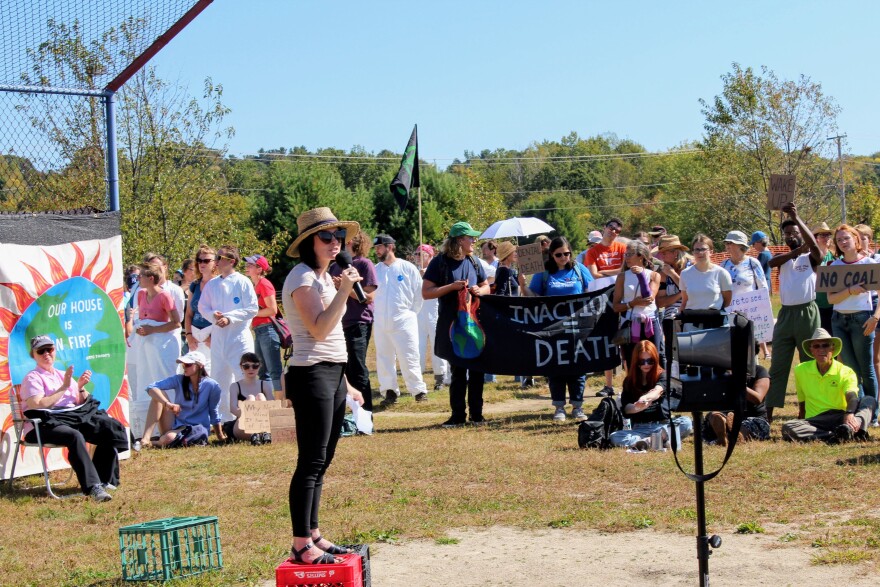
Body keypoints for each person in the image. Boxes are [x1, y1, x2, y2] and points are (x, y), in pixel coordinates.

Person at [282, 206, 365, 565]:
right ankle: (301, 544)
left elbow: (333, 338)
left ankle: (313, 533)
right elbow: (318, 329)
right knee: (311, 460)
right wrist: (345, 290)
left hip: (332, 372)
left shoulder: (322, 277)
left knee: (324, 458)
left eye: (340, 237)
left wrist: (346, 380)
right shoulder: (301, 277)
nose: (336, 243)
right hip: (311, 373)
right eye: (327, 237)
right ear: (309, 242)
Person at [20, 335, 126, 501]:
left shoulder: (63, 374)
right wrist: (63, 387)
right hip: (41, 425)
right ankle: (94, 488)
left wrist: (80, 387)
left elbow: (80, 402)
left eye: (50, 349)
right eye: (41, 351)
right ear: (33, 355)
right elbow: (37, 404)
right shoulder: (33, 378)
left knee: (108, 425)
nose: (46, 353)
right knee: (74, 436)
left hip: (70, 418)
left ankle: (105, 478)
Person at [422, 221, 490, 427]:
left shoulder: (475, 261)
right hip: (451, 323)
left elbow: (486, 285)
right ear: (459, 240)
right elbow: (426, 293)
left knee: (478, 369)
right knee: (458, 370)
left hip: (474, 323)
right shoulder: (439, 262)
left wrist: (481, 290)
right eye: (470, 237)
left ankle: (477, 415)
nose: (474, 241)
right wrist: (451, 287)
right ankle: (458, 415)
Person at [526, 236, 594, 421]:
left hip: (578, 327)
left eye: (567, 253)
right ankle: (559, 407)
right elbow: (533, 297)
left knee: (578, 367)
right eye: (559, 255)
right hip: (553, 328)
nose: (564, 257)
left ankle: (578, 406)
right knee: (556, 368)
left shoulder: (580, 270)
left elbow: (593, 292)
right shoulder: (543, 273)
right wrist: (522, 284)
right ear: (551, 255)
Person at [765, 204, 822, 423]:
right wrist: (795, 251)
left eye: (794, 233)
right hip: (786, 314)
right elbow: (771, 262)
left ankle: (806, 410)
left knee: (808, 363)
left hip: (807, 311)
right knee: (778, 363)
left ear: (801, 233)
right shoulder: (785, 258)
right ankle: (768, 412)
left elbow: (814, 247)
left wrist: (796, 217)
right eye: (787, 233)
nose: (790, 236)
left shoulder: (811, 258)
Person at [198, 245, 259, 421]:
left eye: (219, 258)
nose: (215, 261)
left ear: (231, 261)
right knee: (219, 378)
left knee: (244, 376)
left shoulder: (242, 281)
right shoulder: (212, 284)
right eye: (216, 258)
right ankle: (224, 419)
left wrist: (230, 318)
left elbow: (252, 308)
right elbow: (203, 307)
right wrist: (213, 315)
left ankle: (251, 419)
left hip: (238, 338)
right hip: (219, 339)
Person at [781, 329, 875, 442]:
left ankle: (848, 428)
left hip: (841, 416)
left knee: (869, 400)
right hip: (815, 420)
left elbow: (852, 396)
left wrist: (849, 414)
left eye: (825, 345)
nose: (821, 349)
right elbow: (802, 401)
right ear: (811, 350)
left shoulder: (845, 371)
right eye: (816, 346)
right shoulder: (800, 370)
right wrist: (802, 419)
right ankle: (838, 435)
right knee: (787, 427)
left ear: (832, 348)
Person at [827, 224, 879, 413]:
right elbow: (831, 298)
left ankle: (872, 413)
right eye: (839, 240)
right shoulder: (835, 266)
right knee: (851, 370)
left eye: (846, 238)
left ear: (856, 239)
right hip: (839, 320)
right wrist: (849, 290)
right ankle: (858, 410)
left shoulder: (870, 264)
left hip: (863, 319)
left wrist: (875, 317)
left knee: (867, 369)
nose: (843, 242)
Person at [371, 234, 429, 405]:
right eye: (375, 248)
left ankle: (418, 391)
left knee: (409, 355)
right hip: (381, 321)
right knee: (384, 357)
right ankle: (389, 391)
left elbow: (419, 294)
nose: (376, 251)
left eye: (379, 247)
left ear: (389, 246)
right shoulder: (375, 269)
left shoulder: (407, 268)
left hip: (404, 319)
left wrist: (410, 313)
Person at [131, 264, 183, 445]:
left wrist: (153, 329)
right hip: (146, 344)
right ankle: (146, 429)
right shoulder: (140, 294)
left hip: (161, 343)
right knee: (146, 379)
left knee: (163, 379)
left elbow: (177, 323)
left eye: (141, 277)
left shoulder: (164, 296)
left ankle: (168, 424)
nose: (138, 280)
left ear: (150, 278)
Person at [608, 341, 693, 449]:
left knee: (686, 422)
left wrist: (645, 398)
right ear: (635, 361)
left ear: (655, 360)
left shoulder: (663, 375)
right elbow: (626, 408)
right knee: (614, 437)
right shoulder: (629, 381)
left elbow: (658, 391)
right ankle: (656, 441)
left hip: (662, 426)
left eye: (650, 361)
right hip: (640, 428)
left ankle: (649, 442)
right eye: (641, 361)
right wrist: (636, 407)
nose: (646, 365)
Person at [329, 229, 378, 411]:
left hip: (358, 322)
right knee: (343, 370)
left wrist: (345, 288)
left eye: (344, 239)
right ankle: (347, 413)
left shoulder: (364, 264)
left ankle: (366, 415)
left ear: (353, 242)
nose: (340, 242)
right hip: (337, 323)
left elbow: (369, 297)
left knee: (357, 369)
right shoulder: (334, 266)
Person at [142, 351, 224, 448]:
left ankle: (154, 443)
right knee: (158, 396)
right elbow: (151, 387)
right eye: (183, 365)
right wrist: (167, 404)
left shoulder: (212, 385)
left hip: (196, 428)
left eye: (188, 364)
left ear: (200, 366)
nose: (184, 367)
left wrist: (220, 436)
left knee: (168, 438)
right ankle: (145, 439)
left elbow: (214, 411)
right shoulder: (179, 379)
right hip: (176, 425)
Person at [585, 217, 627, 397]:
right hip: (603, 301)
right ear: (604, 227)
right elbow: (594, 275)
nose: (613, 232)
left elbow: (625, 270)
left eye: (617, 230)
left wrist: (607, 272)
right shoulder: (593, 252)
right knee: (608, 341)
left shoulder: (623, 248)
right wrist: (617, 271)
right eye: (611, 228)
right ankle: (608, 385)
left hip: (624, 299)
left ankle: (629, 382)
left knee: (626, 340)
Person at [612, 240, 661, 370]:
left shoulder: (654, 275)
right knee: (631, 360)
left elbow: (648, 298)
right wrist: (632, 304)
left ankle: (655, 388)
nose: (626, 258)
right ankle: (633, 389)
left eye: (630, 254)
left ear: (640, 256)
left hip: (650, 322)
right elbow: (616, 306)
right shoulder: (622, 276)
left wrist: (641, 275)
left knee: (654, 358)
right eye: (625, 255)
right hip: (630, 322)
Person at [722, 230, 771, 360]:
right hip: (730, 313)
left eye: (730, 243)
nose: (727, 245)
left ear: (740, 245)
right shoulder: (724, 265)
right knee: (733, 349)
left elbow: (763, 287)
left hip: (751, 312)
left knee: (751, 349)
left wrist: (765, 310)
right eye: (726, 243)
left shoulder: (752, 263)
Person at [703, 359, 771, 445]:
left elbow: (757, 399)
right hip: (725, 414)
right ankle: (726, 432)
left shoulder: (759, 371)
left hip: (753, 417)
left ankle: (732, 436)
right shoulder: (718, 373)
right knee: (714, 415)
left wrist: (736, 381)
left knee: (747, 426)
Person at [245, 253, 282, 396]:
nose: (246, 267)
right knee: (262, 371)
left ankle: (280, 404)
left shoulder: (264, 284)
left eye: (250, 265)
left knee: (274, 370)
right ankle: (268, 403)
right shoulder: (254, 286)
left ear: (259, 269)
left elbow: (272, 309)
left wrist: (250, 313)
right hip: (260, 331)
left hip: (267, 330)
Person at [414, 244, 449, 391]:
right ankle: (417, 378)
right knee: (417, 347)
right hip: (418, 313)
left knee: (437, 345)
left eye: (421, 254)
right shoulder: (413, 271)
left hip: (434, 312)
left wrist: (426, 276)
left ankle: (440, 377)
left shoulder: (437, 269)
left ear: (430, 255)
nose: (417, 257)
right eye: (416, 254)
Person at [224, 352, 272, 445]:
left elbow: (273, 407)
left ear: (259, 367)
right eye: (246, 366)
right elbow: (233, 409)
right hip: (243, 423)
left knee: (260, 396)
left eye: (255, 366)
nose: (251, 369)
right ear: (241, 367)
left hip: (263, 422)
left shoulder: (264, 385)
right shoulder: (235, 386)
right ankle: (256, 434)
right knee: (250, 398)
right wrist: (251, 415)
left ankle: (263, 433)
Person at [185, 245, 217, 374]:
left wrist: (215, 336)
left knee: (212, 372)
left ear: (215, 263)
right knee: (192, 372)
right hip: (195, 333)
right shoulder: (195, 284)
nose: (202, 263)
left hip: (212, 332)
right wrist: (188, 336)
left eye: (206, 260)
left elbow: (223, 313)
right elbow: (188, 314)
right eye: (199, 260)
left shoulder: (220, 284)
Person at [679, 234, 732, 312]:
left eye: (703, 249)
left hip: (714, 320)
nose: (700, 253)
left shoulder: (721, 273)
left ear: (711, 252)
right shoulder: (685, 274)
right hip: (691, 320)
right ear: (693, 252)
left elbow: (727, 301)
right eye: (697, 250)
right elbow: (685, 301)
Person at [654, 235, 692, 322]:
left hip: (692, 310)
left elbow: (694, 293)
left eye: (664, 253)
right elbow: (660, 303)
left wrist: (672, 274)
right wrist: (681, 294)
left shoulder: (692, 266)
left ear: (675, 253)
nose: (661, 256)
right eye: (661, 253)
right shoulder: (663, 272)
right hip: (671, 315)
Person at [812, 222, 837, 333]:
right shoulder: (810, 257)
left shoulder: (836, 256)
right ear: (816, 238)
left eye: (827, 235)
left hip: (834, 304)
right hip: (816, 304)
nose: (826, 238)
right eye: (822, 235)